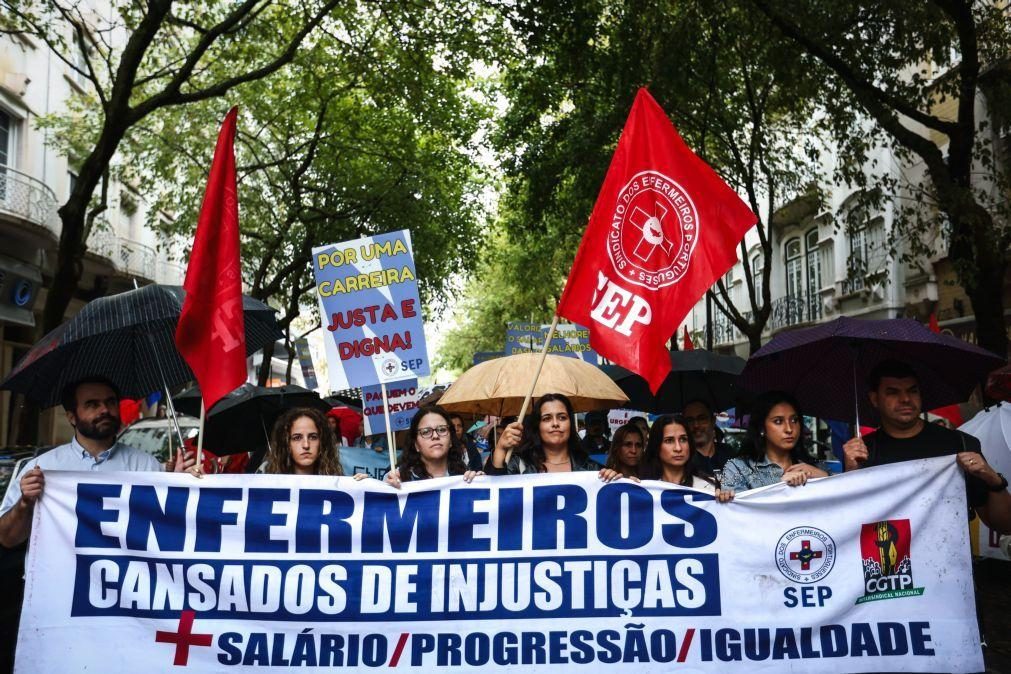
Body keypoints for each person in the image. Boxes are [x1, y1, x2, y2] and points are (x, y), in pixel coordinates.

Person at [0, 377, 194, 548]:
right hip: (58, 587)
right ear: (71, 417)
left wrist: (179, 488)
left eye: (110, 402)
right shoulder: (42, 468)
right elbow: (7, 538)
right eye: (92, 404)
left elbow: (169, 530)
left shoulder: (145, 466)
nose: (104, 410)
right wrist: (25, 503)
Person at [843, 360, 1011, 533]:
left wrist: (994, 480)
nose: (905, 399)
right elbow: (848, 526)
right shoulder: (861, 453)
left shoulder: (960, 444)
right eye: (893, 392)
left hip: (950, 557)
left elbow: (1005, 526)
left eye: (912, 391)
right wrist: (849, 477)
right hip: (887, 554)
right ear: (874, 399)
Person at [486, 394, 618, 479]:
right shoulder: (518, 465)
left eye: (562, 417)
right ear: (538, 426)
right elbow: (495, 498)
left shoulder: (592, 469)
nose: (555, 424)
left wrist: (620, 483)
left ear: (570, 424)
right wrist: (500, 449)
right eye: (547, 418)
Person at [721, 391, 828, 494]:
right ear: (761, 428)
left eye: (794, 420)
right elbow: (737, 509)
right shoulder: (738, 468)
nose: (789, 429)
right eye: (778, 421)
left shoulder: (815, 466)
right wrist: (779, 486)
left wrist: (824, 477)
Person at [377, 405, 481, 487]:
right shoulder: (398, 478)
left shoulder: (466, 478)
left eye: (442, 430)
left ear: (451, 441)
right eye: (426, 432)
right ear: (416, 444)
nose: (435, 436)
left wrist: (482, 485)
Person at [638, 414, 722, 495]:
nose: (678, 448)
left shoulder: (710, 489)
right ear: (656, 445)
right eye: (669, 440)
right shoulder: (642, 490)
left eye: (683, 439)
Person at [264, 407, 343, 476]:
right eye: (297, 438)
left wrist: (354, 486)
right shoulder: (268, 482)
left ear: (322, 441)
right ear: (286, 442)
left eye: (313, 437)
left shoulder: (337, 483)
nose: (306, 445)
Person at [682, 399, 736, 474]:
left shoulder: (729, 453)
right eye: (690, 420)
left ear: (713, 421)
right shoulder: (681, 459)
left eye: (702, 419)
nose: (696, 425)